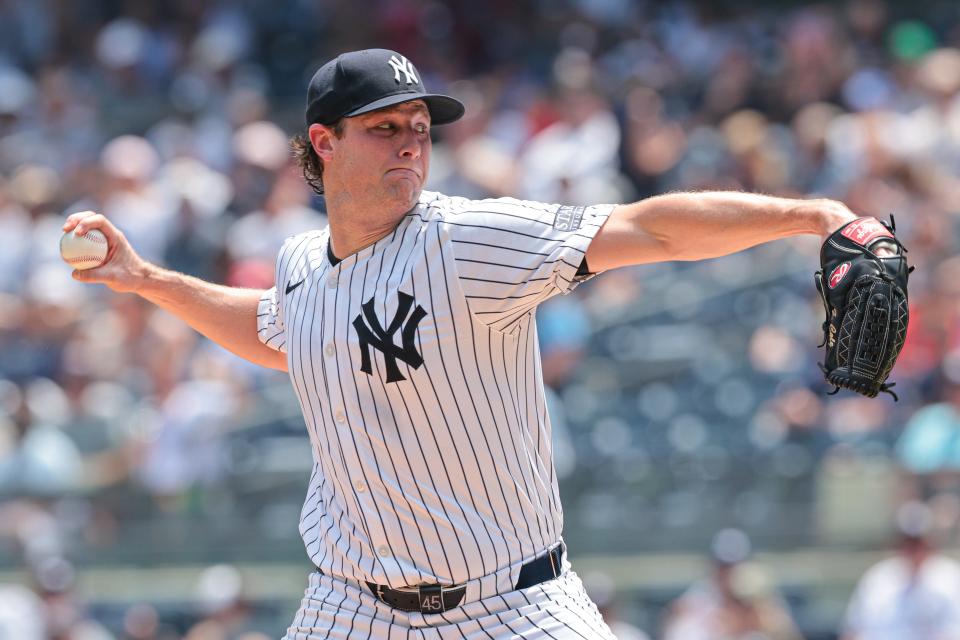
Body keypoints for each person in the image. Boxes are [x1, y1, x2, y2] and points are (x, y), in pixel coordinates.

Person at [64, 48, 861, 638]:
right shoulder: (303, 263)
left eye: (420, 127)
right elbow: (280, 333)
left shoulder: (468, 241)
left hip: (512, 602)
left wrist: (809, 216)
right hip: (350, 604)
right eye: (386, 128)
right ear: (324, 142)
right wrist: (146, 280)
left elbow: (644, 228)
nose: (413, 142)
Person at [841, 501, 960, 640]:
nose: (912, 549)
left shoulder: (952, 578)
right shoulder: (878, 577)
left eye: (918, 543)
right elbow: (852, 630)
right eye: (906, 542)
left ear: (931, 542)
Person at [662, 528, 802, 640]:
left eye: (734, 566)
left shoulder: (760, 600)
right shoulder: (694, 603)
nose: (729, 573)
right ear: (714, 567)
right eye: (724, 567)